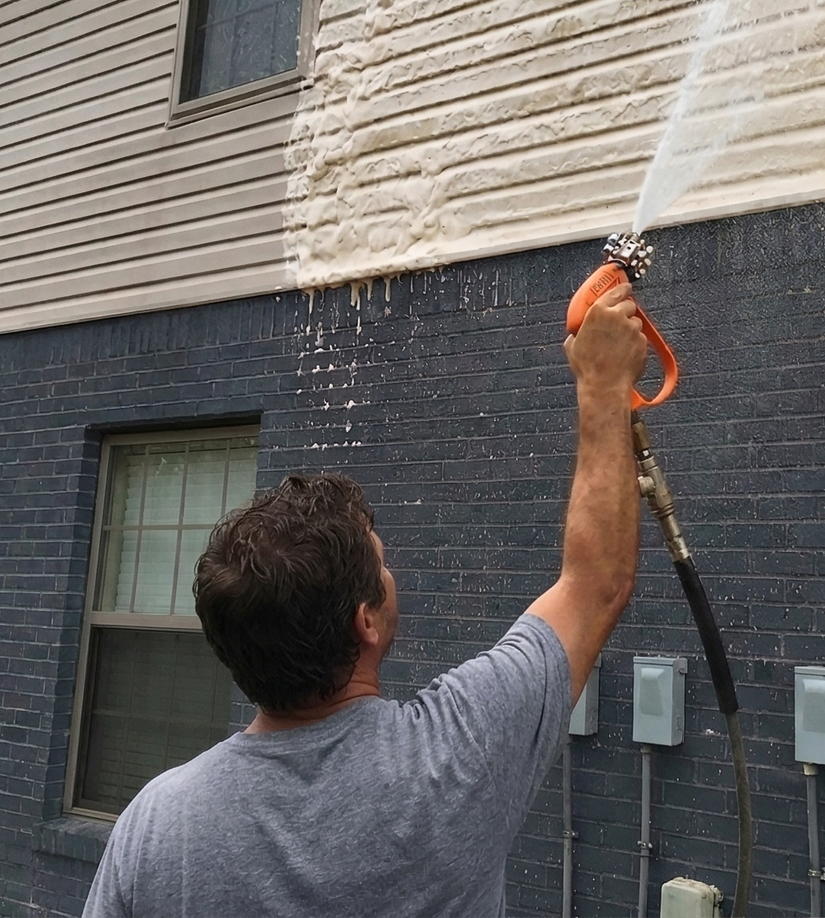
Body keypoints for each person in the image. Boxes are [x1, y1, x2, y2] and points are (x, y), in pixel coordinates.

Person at [81, 281, 649, 917]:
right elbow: (596, 584)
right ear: (366, 622)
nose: (391, 571)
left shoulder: (154, 828)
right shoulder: (455, 756)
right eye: (383, 564)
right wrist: (602, 386)